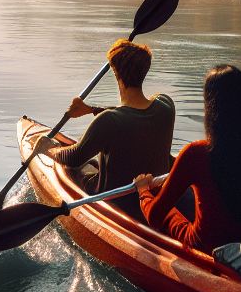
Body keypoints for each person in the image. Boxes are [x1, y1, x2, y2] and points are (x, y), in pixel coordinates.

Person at [133, 64, 241, 253]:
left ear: (210, 107)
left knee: (168, 213)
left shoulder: (195, 153)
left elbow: (156, 218)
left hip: (208, 247)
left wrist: (143, 192)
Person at [32, 39, 174, 216]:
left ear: (117, 76)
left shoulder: (109, 121)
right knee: (92, 164)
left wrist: (48, 150)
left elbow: (74, 157)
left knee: (79, 166)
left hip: (115, 205)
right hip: (156, 198)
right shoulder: (166, 106)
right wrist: (91, 110)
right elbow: (138, 113)